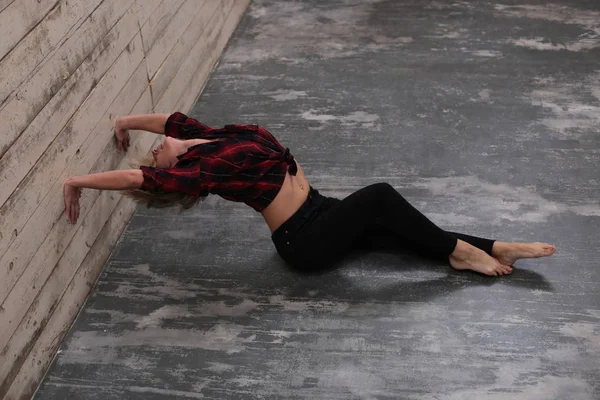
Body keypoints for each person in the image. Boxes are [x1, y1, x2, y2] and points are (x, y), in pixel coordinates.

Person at [63, 112, 556, 276]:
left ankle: (490, 246)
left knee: (392, 230)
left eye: (155, 147)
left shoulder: (209, 136)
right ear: (172, 168)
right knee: (382, 197)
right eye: (157, 156)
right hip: (304, 242)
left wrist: (124, 121)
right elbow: (135, 180)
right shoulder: (201, 170)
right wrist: (74, 181)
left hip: (320, 210)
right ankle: (464, 251)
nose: (157, 149)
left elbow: (168, 118)